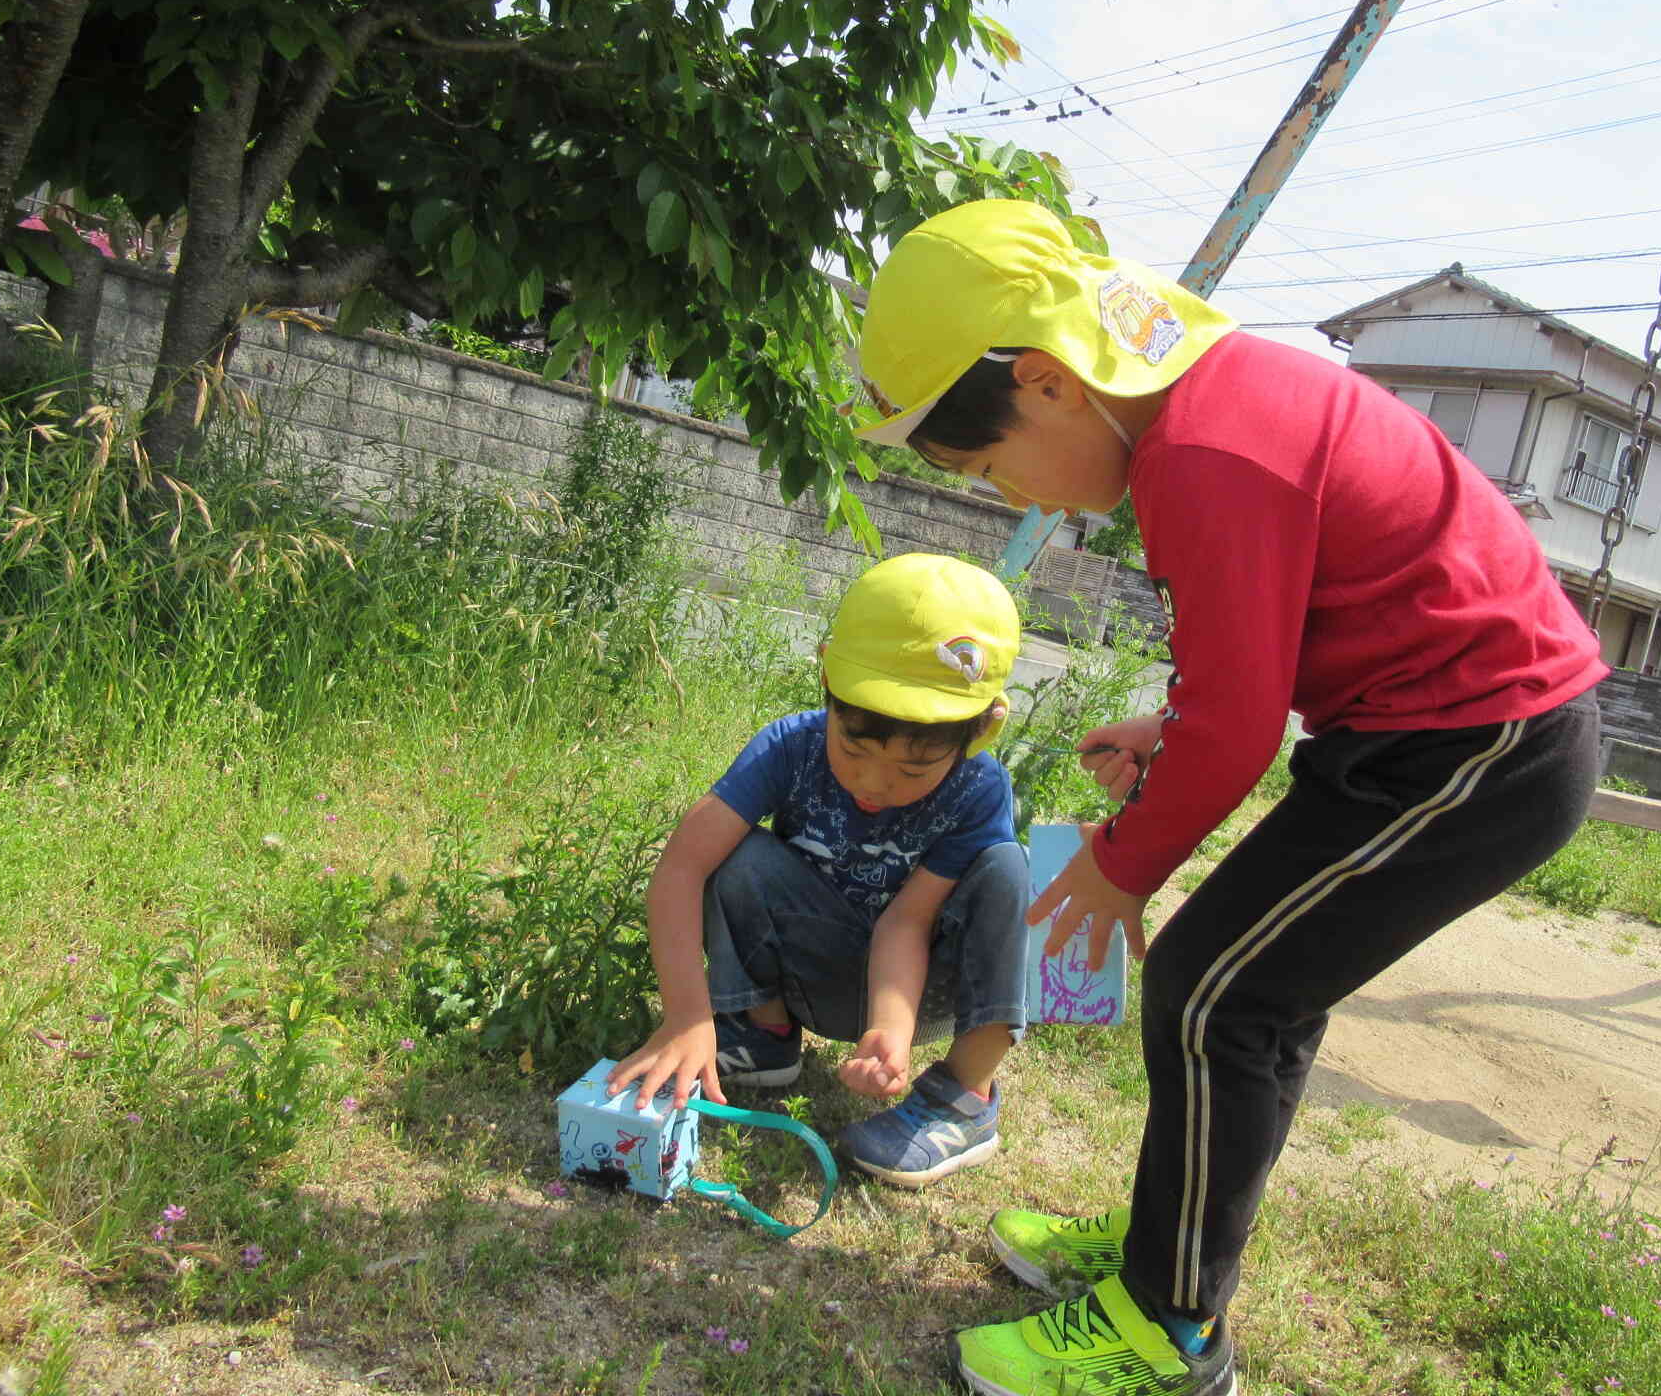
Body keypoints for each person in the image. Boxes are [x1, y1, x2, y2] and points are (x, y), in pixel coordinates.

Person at [853, 200, 1607, 1396]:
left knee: (1214, 991)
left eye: (988, 465)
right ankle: (1172, 1254)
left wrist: (1115, 863)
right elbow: (1292, 627)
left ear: (1047, 383)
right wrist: (1175, 724)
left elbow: (1242, 732)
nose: (1011, 499)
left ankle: (1171, 1328)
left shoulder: (1201, 453)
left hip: (1478, 749)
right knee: (1247, 995)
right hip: (1421, 730)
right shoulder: (1213, 404)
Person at [606, 552, 1030, 1188]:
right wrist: (687, 1015)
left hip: (923, 991)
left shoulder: (977, 787)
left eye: (913, 771)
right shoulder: (790, 748)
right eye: (853, 747)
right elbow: (680, 869)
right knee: (737, 851)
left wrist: (888, 1029)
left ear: (982, 728)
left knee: (1006, 868)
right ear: (827, 676)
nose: (874, 783)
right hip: (815, 970)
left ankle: (963, 1097)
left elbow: (906, 924)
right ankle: (764, 1031)